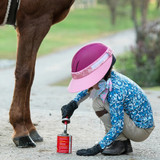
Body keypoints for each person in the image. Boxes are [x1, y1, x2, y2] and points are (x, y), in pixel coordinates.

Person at [61, 43, 155, 156]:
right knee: (99, 101)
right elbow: (91, 89)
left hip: (140, 130)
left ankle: (119, 143)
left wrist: (97, 148)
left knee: (99, 103)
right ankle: (122, 143)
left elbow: (118, 125)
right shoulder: (109, 78)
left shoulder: (115, 91)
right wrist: (74, 104)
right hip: (135, 123)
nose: (87, 84)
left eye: (89, 80)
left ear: (100, 75)